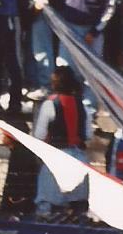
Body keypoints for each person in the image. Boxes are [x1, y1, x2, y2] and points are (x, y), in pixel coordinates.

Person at [32, 66, 88, 217]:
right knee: (77, 206)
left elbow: (39, 135)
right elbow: (87, 134)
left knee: (46, 204)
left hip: (56, 157)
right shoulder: (82, 105)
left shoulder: (49, 104)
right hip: (79, 158)